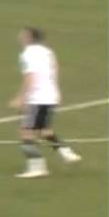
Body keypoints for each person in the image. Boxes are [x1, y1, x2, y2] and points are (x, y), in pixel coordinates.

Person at [10, 27, 82, 178]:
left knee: (26, 132)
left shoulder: (27, 54)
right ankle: (67, 152)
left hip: (37, 98)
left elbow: (31, 77)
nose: (19, 37)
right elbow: (55, 69)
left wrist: (21, 98)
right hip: (50, 95)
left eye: (22, 34)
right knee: (45, 130)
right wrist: (57, 90)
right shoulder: (48, 52)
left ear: (29, 37)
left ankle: (37, 168)